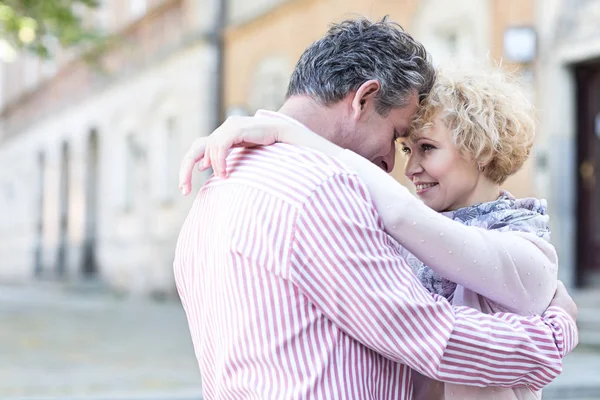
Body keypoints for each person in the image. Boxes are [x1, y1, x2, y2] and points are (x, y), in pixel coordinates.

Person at [174, 18, 578, 400]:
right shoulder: (321, 190)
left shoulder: (220, 186)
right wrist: (555, 336)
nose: (394, 165)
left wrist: (285, 130)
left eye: (425, 147)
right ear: (364, 99)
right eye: (399, 139)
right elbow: (428, 334)